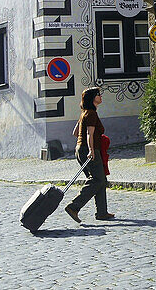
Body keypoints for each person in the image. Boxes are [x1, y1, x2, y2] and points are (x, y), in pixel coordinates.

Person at [64, 87, 115, 223]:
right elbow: (89, 134)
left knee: (100, 179)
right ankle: (74, 206)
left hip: (80, 149)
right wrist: (91, 149)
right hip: (90, 150)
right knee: (97, 180)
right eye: (98, 95)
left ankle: (102, 212)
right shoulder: (91, 113)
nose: (100, 96)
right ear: (92, 98)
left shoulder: (84, 113)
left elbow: (76, 133)